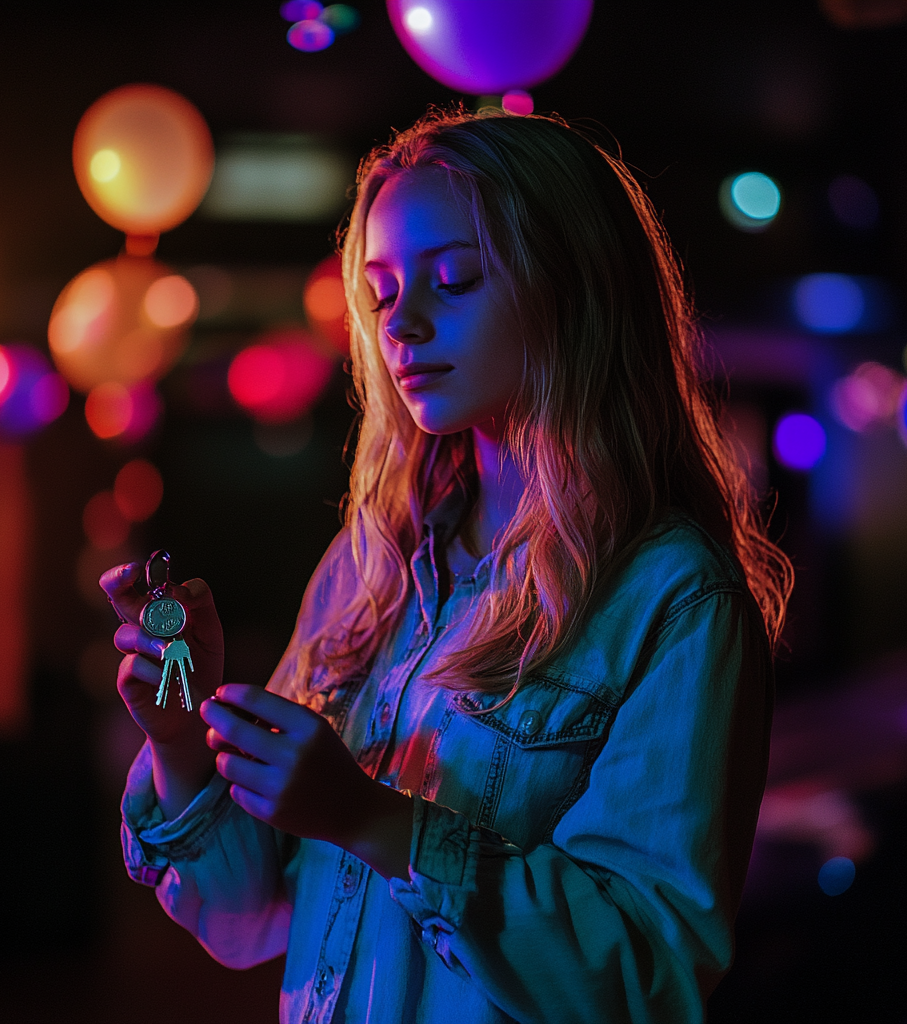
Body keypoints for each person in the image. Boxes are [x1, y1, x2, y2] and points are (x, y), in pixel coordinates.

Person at [103, 109, 792, 1024]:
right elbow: (250, 916)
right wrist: (185, 740)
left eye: (455, 279)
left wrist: (375, 821)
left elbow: (644, 975)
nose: (405, 325)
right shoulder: (370, 567)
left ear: (572, 286)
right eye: (382, 295)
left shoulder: (671, 596)